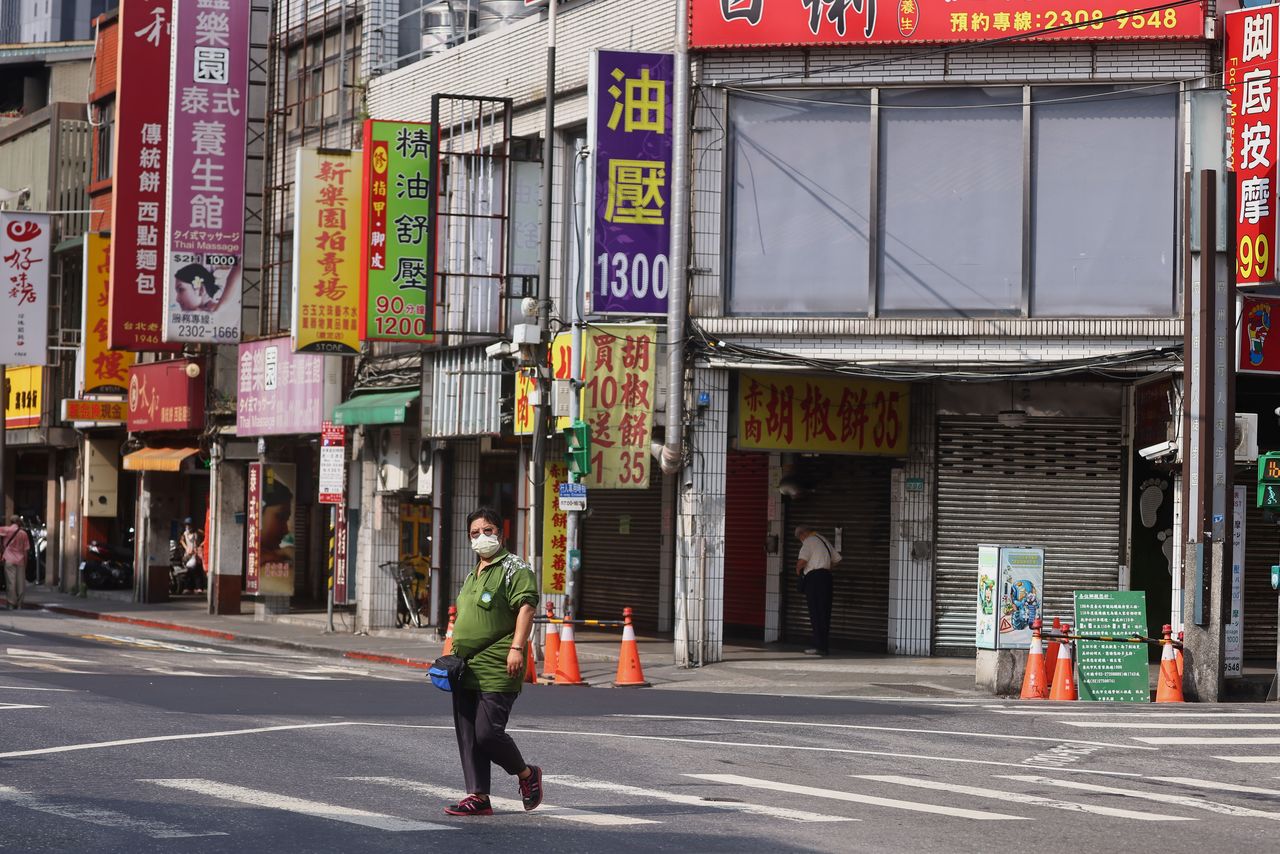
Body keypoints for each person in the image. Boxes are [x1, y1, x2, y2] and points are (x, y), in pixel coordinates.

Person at [443, 507, 543, 817]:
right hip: (465, 665)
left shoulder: (515, 568)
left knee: (488, 733)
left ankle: (527, 774)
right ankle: (478, 796)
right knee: (468, 734)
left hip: (499, 663)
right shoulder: (475, 572)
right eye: (474, 533)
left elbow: (526, 608)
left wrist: (517, 647)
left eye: (487, 530)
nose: (481, 537)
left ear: (501, 531)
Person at [795, 524, 838, 657]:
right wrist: (825, 568)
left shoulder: (809, 541)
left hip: (814, 580)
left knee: (816, 612)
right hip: (827, 577)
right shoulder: (823, 539)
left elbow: (802, 561)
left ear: (802, 534)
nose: (801, 541)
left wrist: (798, 571)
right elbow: (836, 560)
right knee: (824, 613)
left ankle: (819, 646)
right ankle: (823, 646)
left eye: (799, 538)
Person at [0, 516, 31, 610]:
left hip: (9, 559)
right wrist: (25, 563)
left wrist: (2, 547)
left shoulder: (6, 530)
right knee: (20, 583)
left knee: (11, 582)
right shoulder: (23, 534)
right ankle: (20, 604)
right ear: (19, 522)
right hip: (21, 560)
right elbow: (26, 551)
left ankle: (11, 603)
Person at [180, 517, 206, 593]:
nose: (188, 526)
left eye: (189, 525)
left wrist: (201, 545)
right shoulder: (185, 533)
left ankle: (199, 588)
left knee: (197, 571)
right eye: (186, 525)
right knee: (188, 571)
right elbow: (181, 541)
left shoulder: (197, 532)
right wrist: (186, 548)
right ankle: (189, 588)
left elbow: (207, 537)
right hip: (188, 554)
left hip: (196, 554)